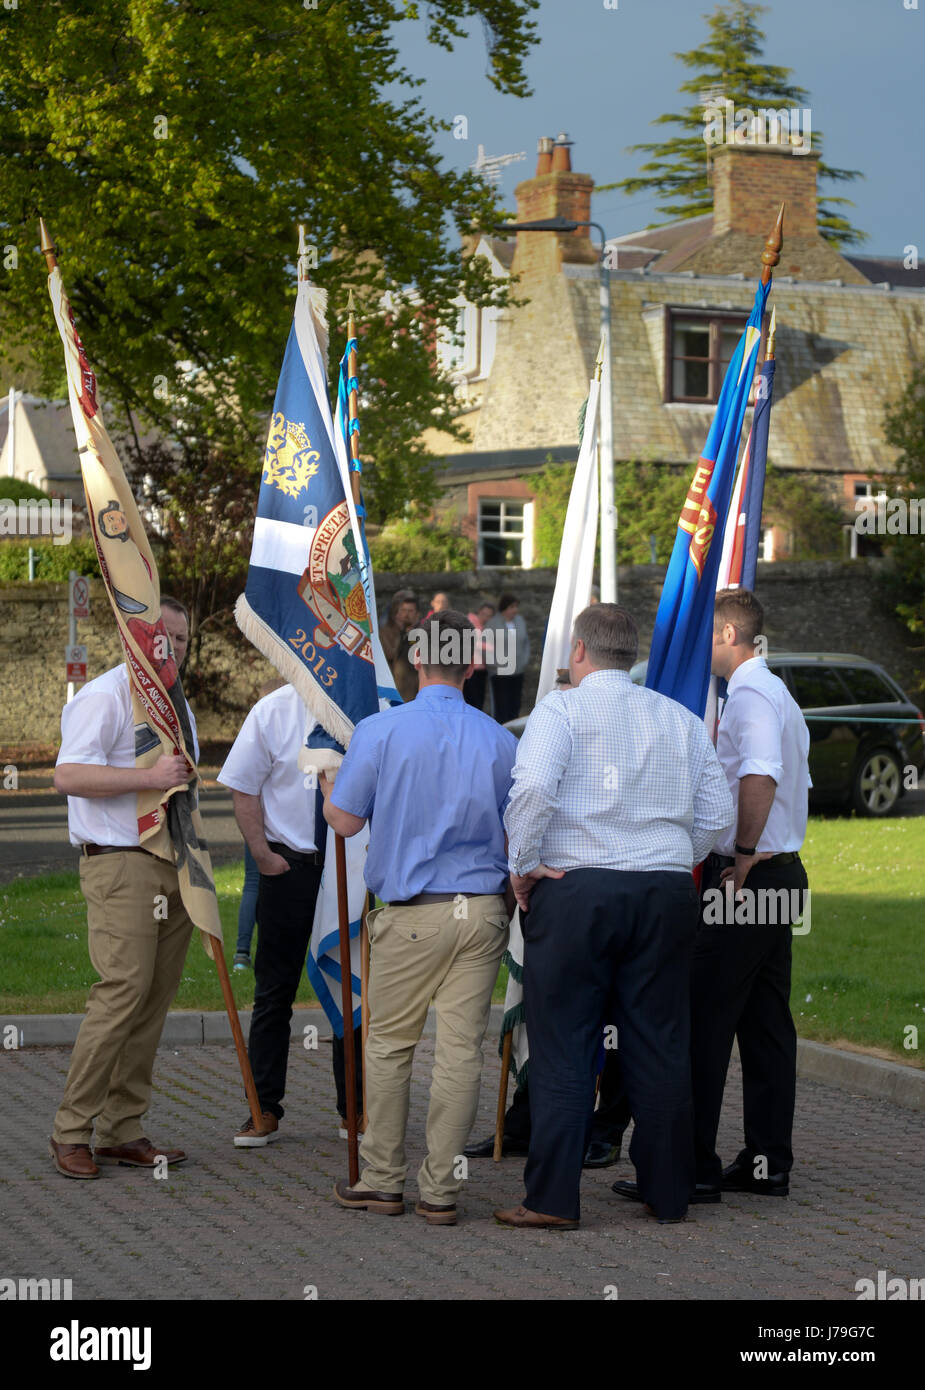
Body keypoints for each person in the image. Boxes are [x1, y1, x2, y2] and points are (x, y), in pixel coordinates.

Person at [494, 604, 733, 1230]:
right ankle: (668, 1191)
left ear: (578, 651)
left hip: (576, 889)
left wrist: (522, 864)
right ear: (629, 656)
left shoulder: (560, 710)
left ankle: (550, 1199)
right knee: (658, 1043)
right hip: (663, 891)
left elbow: (534, 791)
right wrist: (672, 858)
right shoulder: (680, 720)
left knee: (566, 1045)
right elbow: (717, 819)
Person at [323, 609, 517, 1225]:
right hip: (481, 912)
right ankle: (441, 1190)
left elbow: (345, 822)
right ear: (469, 663)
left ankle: (383, 1179)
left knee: (390, 1049)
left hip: (411, 914)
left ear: (414, 659)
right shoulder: (500, 739)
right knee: (461, 1052)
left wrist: (329, 785)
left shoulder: (382, 733)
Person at [49, 597, 197, 1179]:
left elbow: (179, 788)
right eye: (165, 639)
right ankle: (70, 1130)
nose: (174, 649)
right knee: (120, 994)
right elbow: (68, 775)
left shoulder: (173, 705)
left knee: (151, 1001)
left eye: (183, 640)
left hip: (170, 864)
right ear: (137, 640)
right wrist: (149, 777)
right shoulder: (106, 695)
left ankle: (121, 1129)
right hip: (119, 861)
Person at [465, 667, 630, 1169]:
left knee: (615, 1019)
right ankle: (526, 1120)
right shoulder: (549, 735)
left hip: (606, 890)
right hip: (551, 893)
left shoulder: (615, 740)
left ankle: (605, 1127)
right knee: (548, 1013)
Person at [688, 589, 810, 1198]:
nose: (703, 645)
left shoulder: (753, 693)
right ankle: (767, 1163)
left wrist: (737, 858)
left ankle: (693, 1168)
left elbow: (760, 772)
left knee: (707, 1015)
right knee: (765, 1024)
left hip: (750, 873)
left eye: (708, 634)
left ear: (730, 634)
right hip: (779, 872)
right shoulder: (776, 691)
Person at [217, 682, 362, 1145]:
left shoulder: (363, 708)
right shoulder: (271, 711)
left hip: (349, 869)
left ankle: (353, 1112)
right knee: (273, 990)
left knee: (351, 990)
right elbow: (243, 785)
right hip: (288, 868)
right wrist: (262, 856)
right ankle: (263, 1108)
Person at [232, 679, 286, 972]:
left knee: (252, 885)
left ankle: (242, 952)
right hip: (274, 823)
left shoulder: (255, 729)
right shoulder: (283, 728)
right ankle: (266, 949)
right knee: (263, 886)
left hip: (253, 819)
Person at [484, 593, 530, 724]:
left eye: (516, 606)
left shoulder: (520, 621)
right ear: (504, 608)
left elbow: (526, 642)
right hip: (500, 674)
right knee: (501, 708)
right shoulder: (492, 624)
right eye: (512, 606)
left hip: (517, 671)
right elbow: (485, 647)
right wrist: (497, 665)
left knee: (515, 705)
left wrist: (524, 661)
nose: (515, 610)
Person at [378, 590, 420, 704]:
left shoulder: (421, 634)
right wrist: (402, 634)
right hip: (393, 691)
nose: (406, 615)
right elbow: (390, 654)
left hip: (414, 691)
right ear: (397, 613)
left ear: (417, 615)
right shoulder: (386, 632)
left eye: (410, 611)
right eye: (403, 610)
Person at [462, 601, 495, 711]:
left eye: (489, 616)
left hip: (482, 669)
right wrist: (489, 646)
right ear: (479, 612)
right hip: (470, 668)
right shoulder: (470, 621)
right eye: (484, 614)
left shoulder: (486, 626)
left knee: (478, 701)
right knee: (471, 700)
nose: (485, 617)